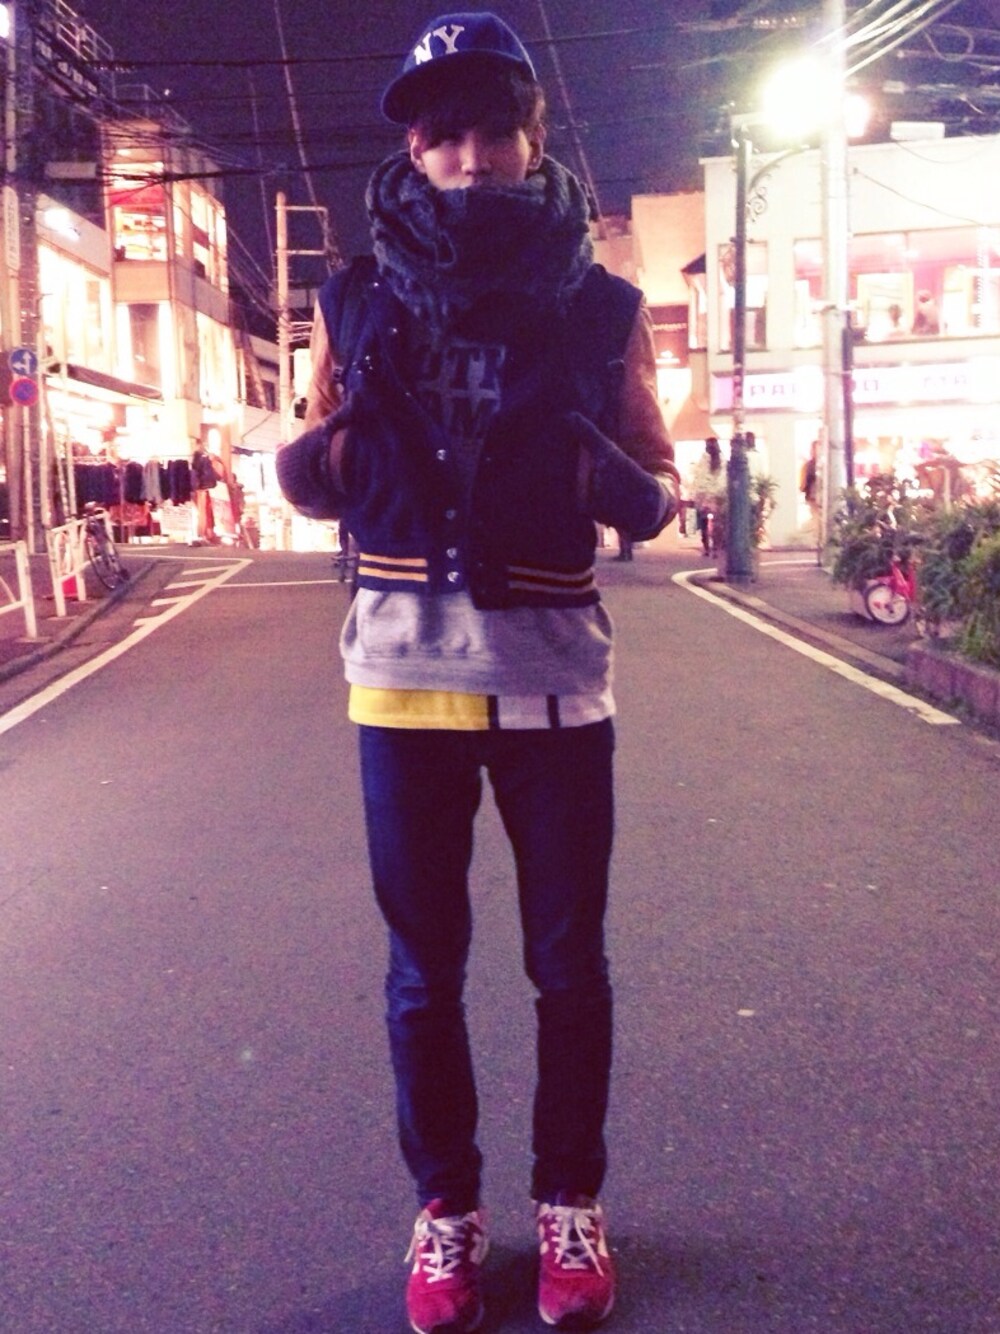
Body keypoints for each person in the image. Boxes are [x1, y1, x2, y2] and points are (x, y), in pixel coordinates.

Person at [277, 13, 678, 1332]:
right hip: (400, 676)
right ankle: (446, 1209)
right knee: (422, 974)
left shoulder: (602, 304)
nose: (467, 157)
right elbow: (319, 467)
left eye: (491, 130)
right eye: (442, 134)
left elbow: (657, 486)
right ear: (414, 148)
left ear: (531, 137)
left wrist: (598, 471)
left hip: (556, 677)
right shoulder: (353, 297)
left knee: (569, 967)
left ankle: (569, 1202)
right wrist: (322, 460)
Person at [690, 436, 724, 555]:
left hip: (703, 497)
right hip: (717, 497)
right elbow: (723, 479)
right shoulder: (722, 460)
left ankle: (706, 548)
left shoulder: (703, 459)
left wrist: (694, 495)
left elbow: (698, 478)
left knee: (703, 523)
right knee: (717, 523)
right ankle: (716, 548)